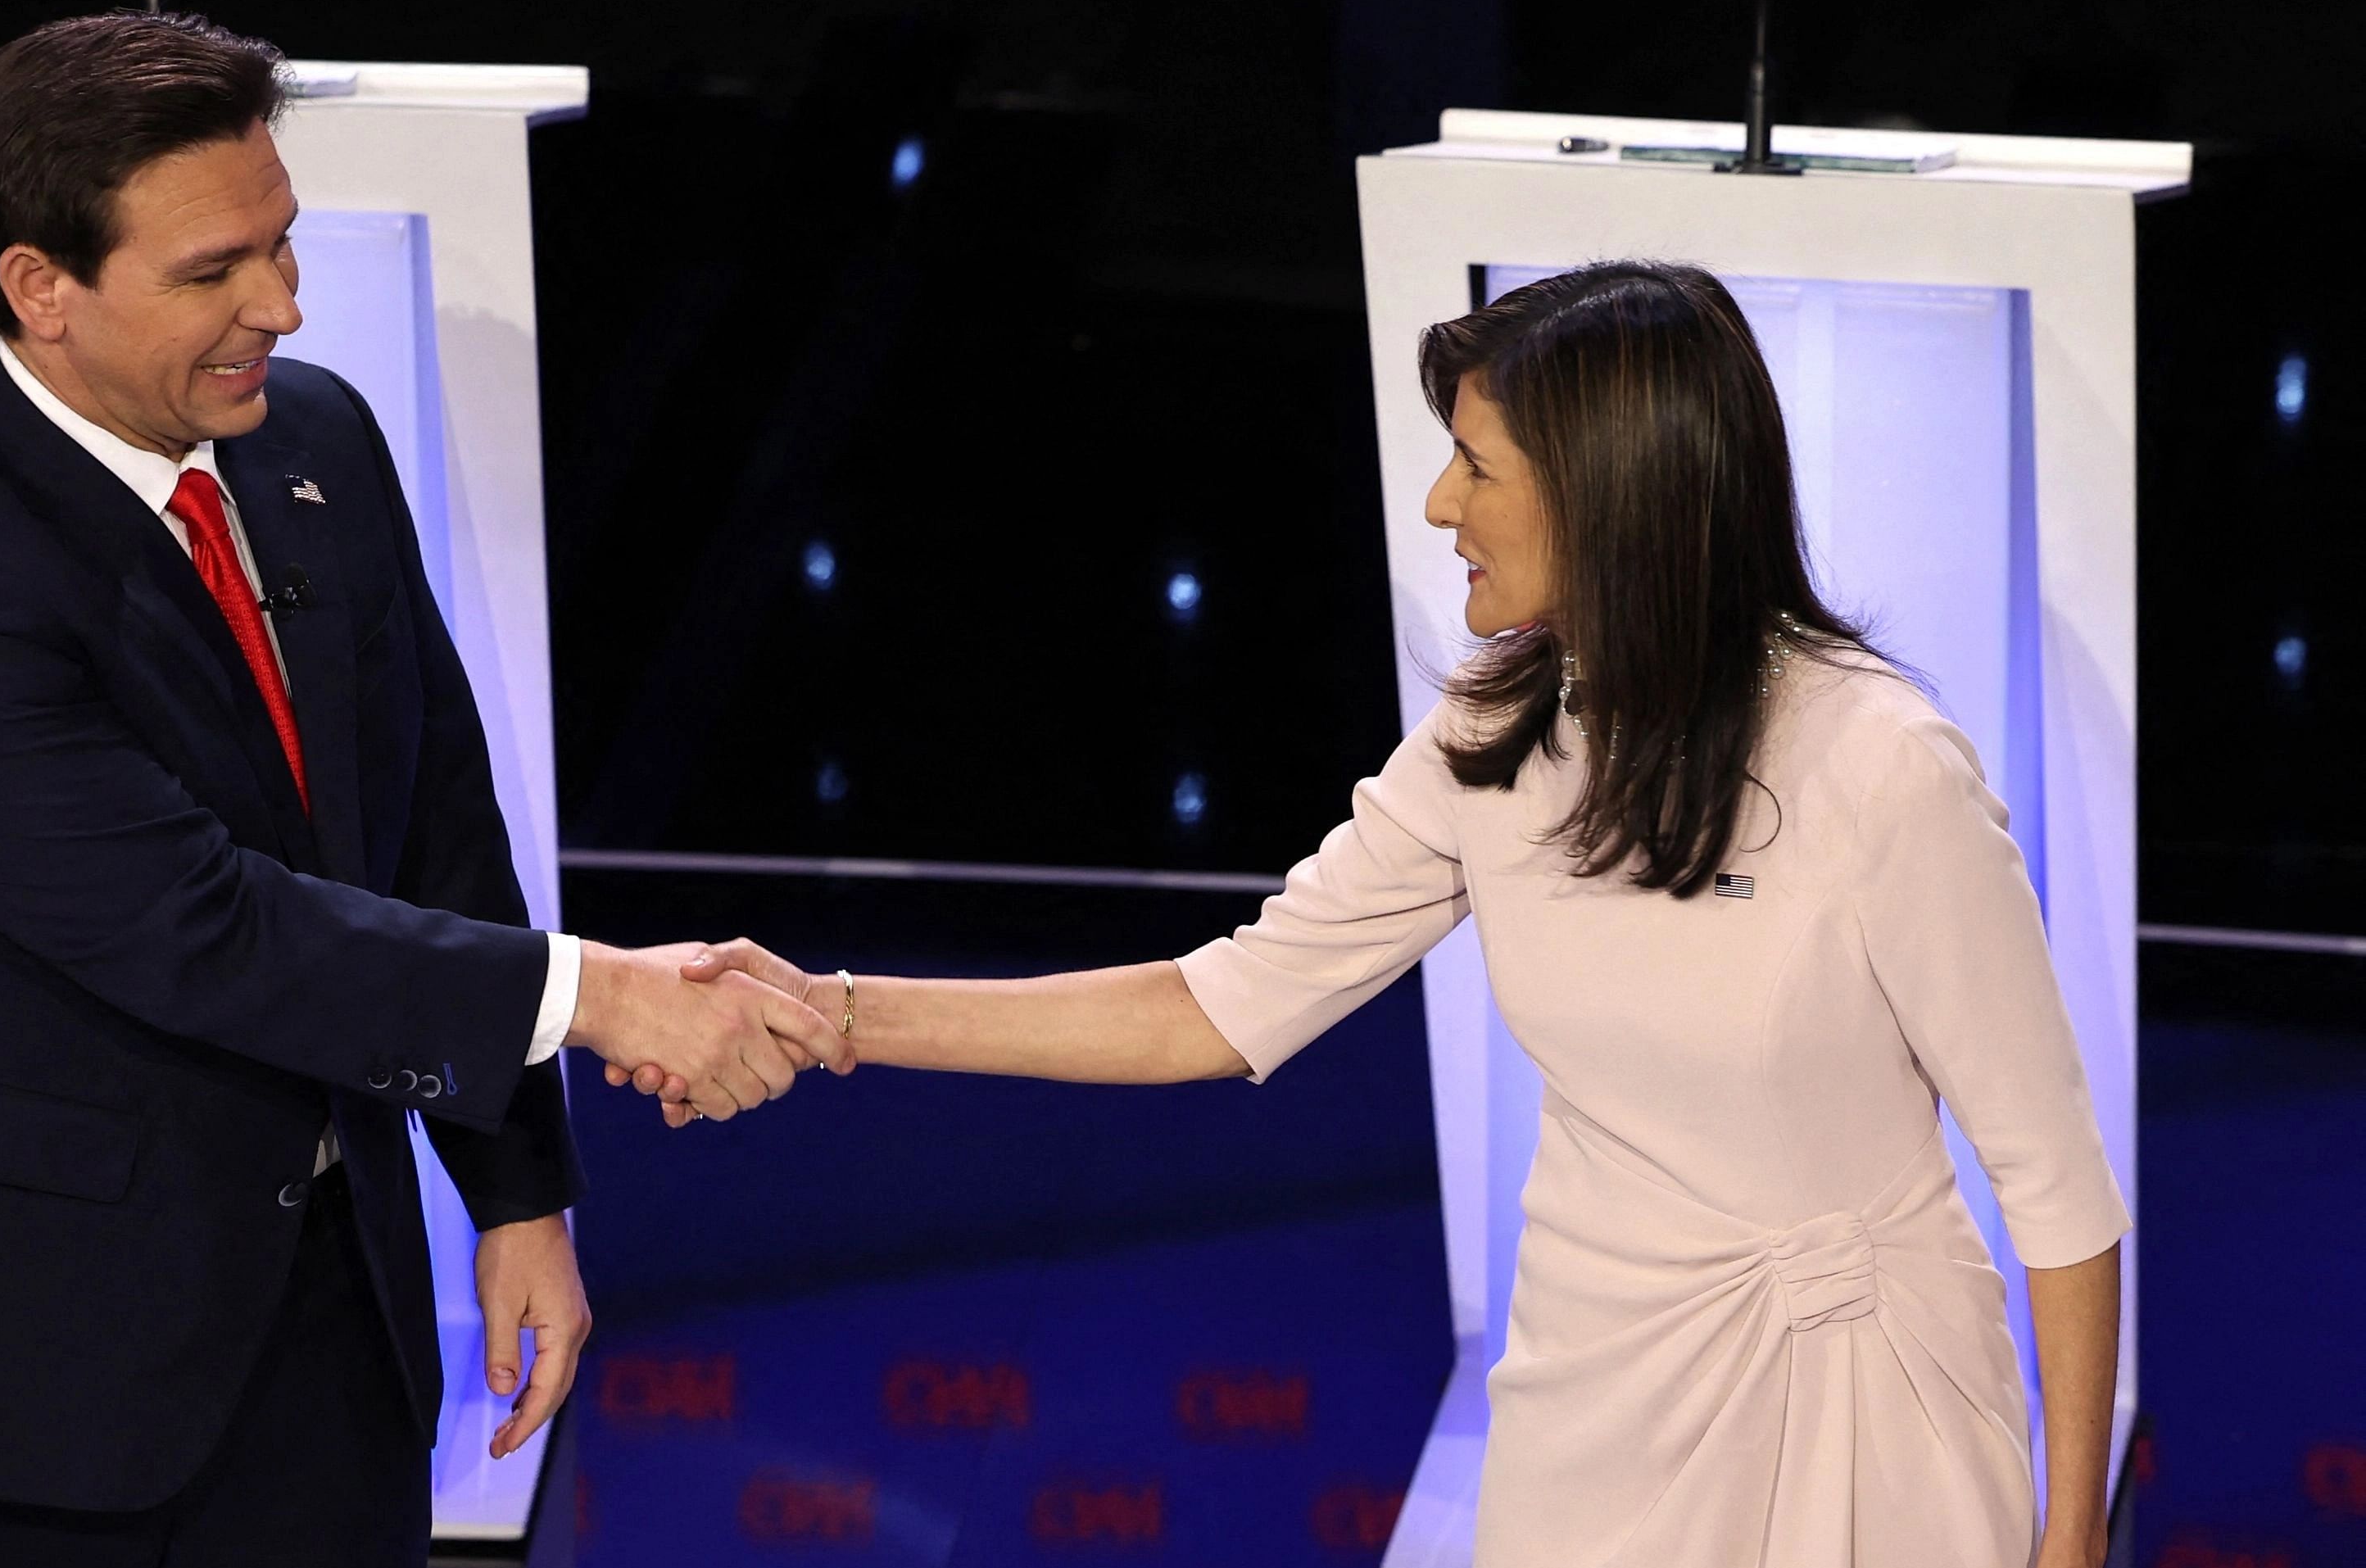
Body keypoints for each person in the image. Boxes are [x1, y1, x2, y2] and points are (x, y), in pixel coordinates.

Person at [622, 262, 2129, 1567]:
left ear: (1613, 490)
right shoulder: (1492, 735)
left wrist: (2071, 1538)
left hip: (1861, 1414)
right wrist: (836, 1015)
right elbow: (1212, 1007)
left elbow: (2053, 1180)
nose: (1439, 501)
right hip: (1594, 1398)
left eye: (1477, 463)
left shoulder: (1882, 765)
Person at [0, 11, 847, 1568]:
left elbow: (434, 819)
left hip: (322, 1338)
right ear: (37, 288)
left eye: (281, 243)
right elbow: (200, 926)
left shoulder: (308, 438)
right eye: (214, 273)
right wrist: (602, 999)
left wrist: (520, 1190)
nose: (283, 306)